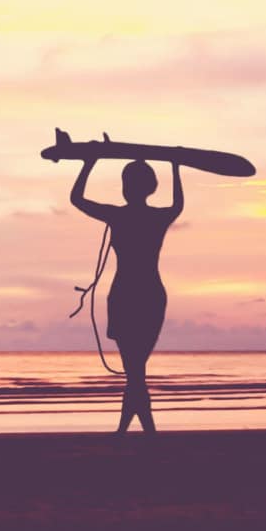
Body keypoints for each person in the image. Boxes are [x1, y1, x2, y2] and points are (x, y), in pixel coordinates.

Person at [69, 158, 183, 434]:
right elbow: (178, 205)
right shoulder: (158, 217)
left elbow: (76, 198)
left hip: (127, 294)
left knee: (134, 369)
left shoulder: (118, 216)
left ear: (125, 188)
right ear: (152, 187)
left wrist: (89, 163)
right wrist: (175, 166)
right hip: (149, 294)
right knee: (135, 369)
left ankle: (136, 431)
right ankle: (137, 429)